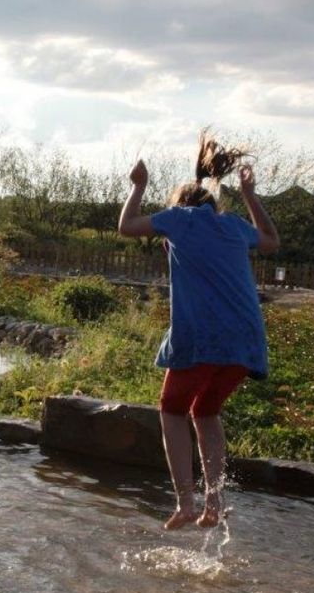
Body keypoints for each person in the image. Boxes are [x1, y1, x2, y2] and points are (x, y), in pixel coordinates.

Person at [118, 132, 279, 529]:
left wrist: (138, 186)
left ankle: (186, 504)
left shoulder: (180, 220)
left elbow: (127, 226)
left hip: (201, 336)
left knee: (172, 410)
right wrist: (250, 194)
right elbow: (273, 242)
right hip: (246, 342)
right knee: (205, 411)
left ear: (180, 206)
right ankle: (215, 502)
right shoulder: (234, 225)